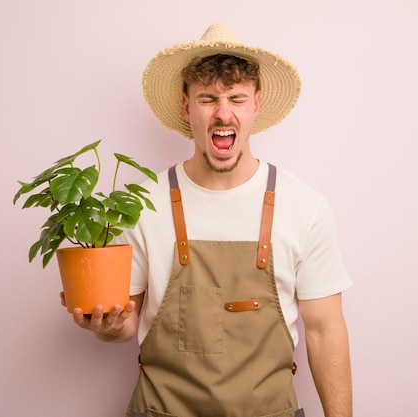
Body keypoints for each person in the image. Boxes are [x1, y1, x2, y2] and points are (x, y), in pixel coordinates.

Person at [62, 23, 353, 417]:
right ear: (186, 107)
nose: (222, 112)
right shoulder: (141, 204)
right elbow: (126, 322)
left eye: (236, 97)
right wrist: (110, 328)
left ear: (256, 105)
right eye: (207, 98)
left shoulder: (304, 206)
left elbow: (325, 331)